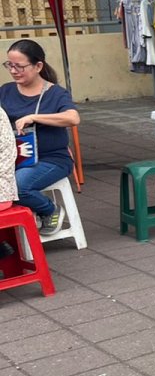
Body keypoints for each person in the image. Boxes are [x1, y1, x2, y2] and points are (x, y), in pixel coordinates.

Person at [0, 39, 81, 235]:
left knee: (16, 187)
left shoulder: (55, 93)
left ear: (38, 66)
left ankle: (49, 209)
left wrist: (34, 117)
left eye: (19, 66)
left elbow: (73, 118)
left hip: (50, 159)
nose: (13, 70)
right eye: (9, 65)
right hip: (13, 159)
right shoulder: (6, 91)